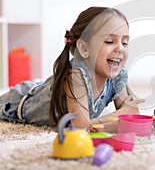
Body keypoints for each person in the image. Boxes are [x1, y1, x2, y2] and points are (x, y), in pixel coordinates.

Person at [0, 7, 144, 132]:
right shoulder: (76, 75)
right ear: (84, 48)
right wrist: (120, 118)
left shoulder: (118, 76)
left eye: (125, 42)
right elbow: (81, 128)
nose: (120, 48)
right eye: (109, 41)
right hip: (19, 101)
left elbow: (131, 113)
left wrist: (125, 116)